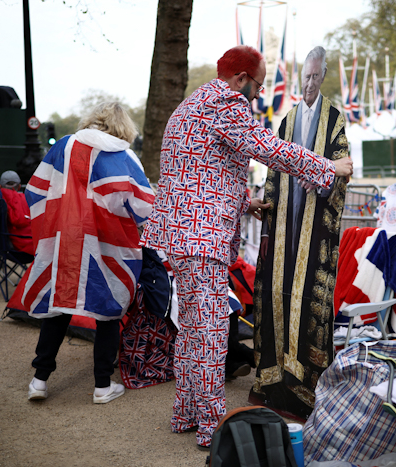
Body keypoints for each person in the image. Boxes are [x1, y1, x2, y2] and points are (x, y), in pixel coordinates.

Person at [140, 45, 353, 449]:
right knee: (212, 332)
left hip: (180, 237)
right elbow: (266, 147)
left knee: (192, 331)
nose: (258, 94)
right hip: (203, 240)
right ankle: (212, 429)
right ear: (241, 79)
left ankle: (184, 413)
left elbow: (198, 170)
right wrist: (328, 166)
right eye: (257, 85)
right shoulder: (228, 102)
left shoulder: (191, 105)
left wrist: (244, 203)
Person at [21, 102, 154, 404]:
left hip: (63, 238)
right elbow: (142, 204)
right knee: (108, 310)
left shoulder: (64, 146)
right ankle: (102, 386)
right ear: (123, 127)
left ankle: (39, 380)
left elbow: (36, 189)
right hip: (105, 241)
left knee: (59, 307)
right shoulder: (122, 154)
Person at [248, 46, 350, 422]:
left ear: (322, 77)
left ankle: (305, 387)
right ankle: (272, 380)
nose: (308, 83)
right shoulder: (287, 119)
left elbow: (343, 169)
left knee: (307, 297)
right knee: (276, 292)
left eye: (314, 77)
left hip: (314, 228)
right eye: (304, 77)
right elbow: (273, 171)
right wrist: (268, 213)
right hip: (283, 227)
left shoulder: (335, 119)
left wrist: (322, 185)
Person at [0, 170, 34, 255]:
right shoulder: (29, 200)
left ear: (0, 186)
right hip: (34, 248)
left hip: (9, 249)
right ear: (19, 187)